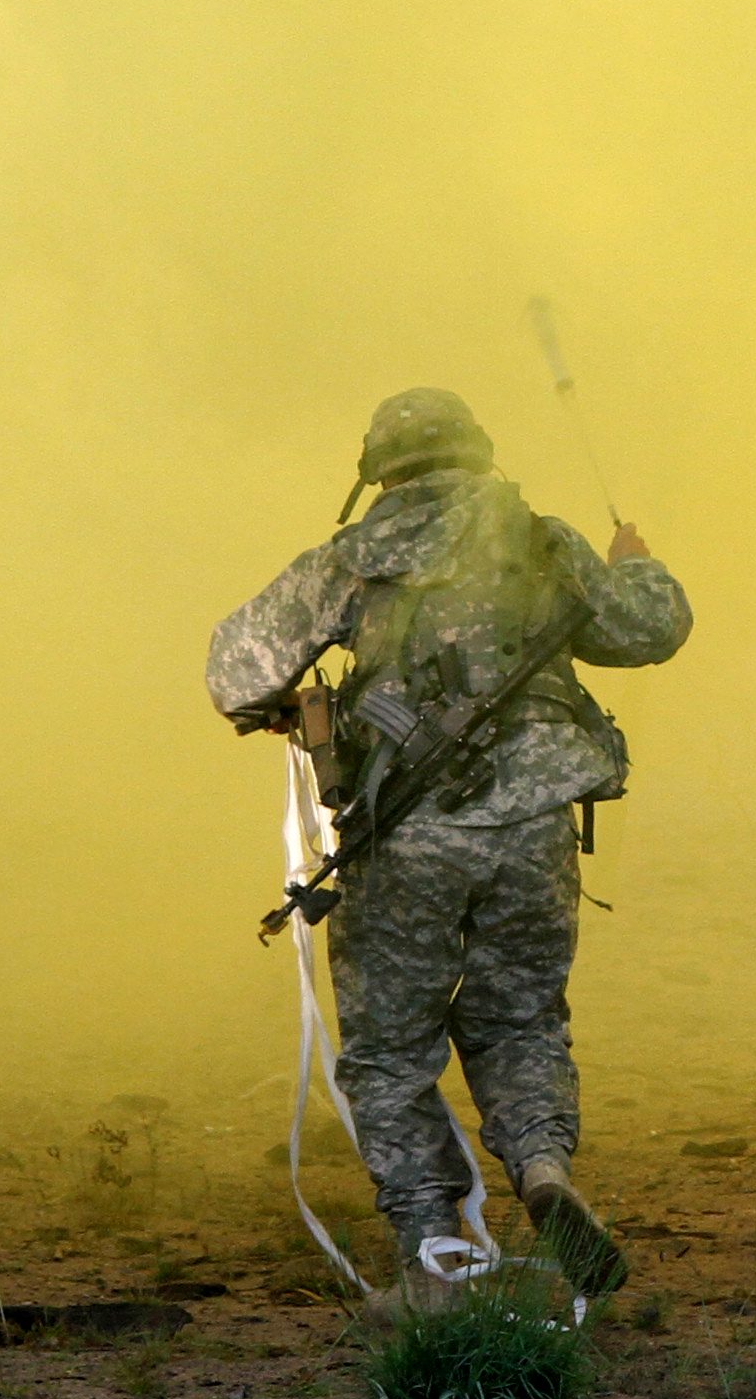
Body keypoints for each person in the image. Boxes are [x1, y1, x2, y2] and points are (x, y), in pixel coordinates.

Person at [209, 387, 691, 1300]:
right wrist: (641, 568)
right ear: (479, 453)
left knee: (391, 1051)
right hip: (537, 827)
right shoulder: (542, 540)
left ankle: (435, 1244)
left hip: (408, 840)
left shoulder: (354, 559)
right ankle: (544, 1168)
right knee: (520, 1019)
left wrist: (293, 699)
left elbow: (235, 668)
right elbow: (648, 628)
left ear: (380, 473)